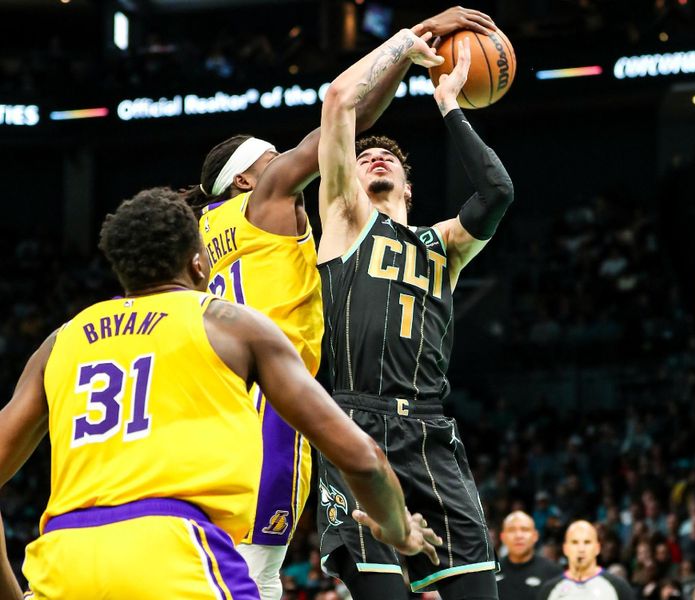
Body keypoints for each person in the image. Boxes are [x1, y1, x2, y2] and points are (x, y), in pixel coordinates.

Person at [182, 7, 497, 600]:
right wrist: (409, 43)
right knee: (258, 574)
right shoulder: (270, 202)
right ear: (249, 180)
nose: (289, 165)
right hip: (280, 403)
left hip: (220, 404)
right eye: (272, 159)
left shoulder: (203, 237)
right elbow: (344, 110)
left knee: (243, 572)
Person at [0, 188, 441, 600]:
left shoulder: (60, 342)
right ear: (197, 264)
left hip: (60, 562)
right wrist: (399, 527)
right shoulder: (229, 323)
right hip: (177, 551)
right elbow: (362, 457)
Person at [316, 18, 514, 599]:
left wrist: (451, 105)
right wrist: (408, 43)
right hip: (352, 423)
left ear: (409, 188)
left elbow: (497, 193)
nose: (375, 158)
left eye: (389, 159)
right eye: (365, 155)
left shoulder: (444, 247)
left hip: (428, 431)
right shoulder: (345, 218)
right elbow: (337, 100)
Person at [538, 520, 635, 600]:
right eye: (575, 542)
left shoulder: (619, 587)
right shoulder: (549, 590)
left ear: (597, 548)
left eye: (587, 542)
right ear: (565, 549)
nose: (581, 549)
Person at [495, 511, 561, 599]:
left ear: (535, 536)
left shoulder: (553, 571)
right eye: (512, 530)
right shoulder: (492, 573)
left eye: (524, 529)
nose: (518, 536)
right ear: (502, 537)